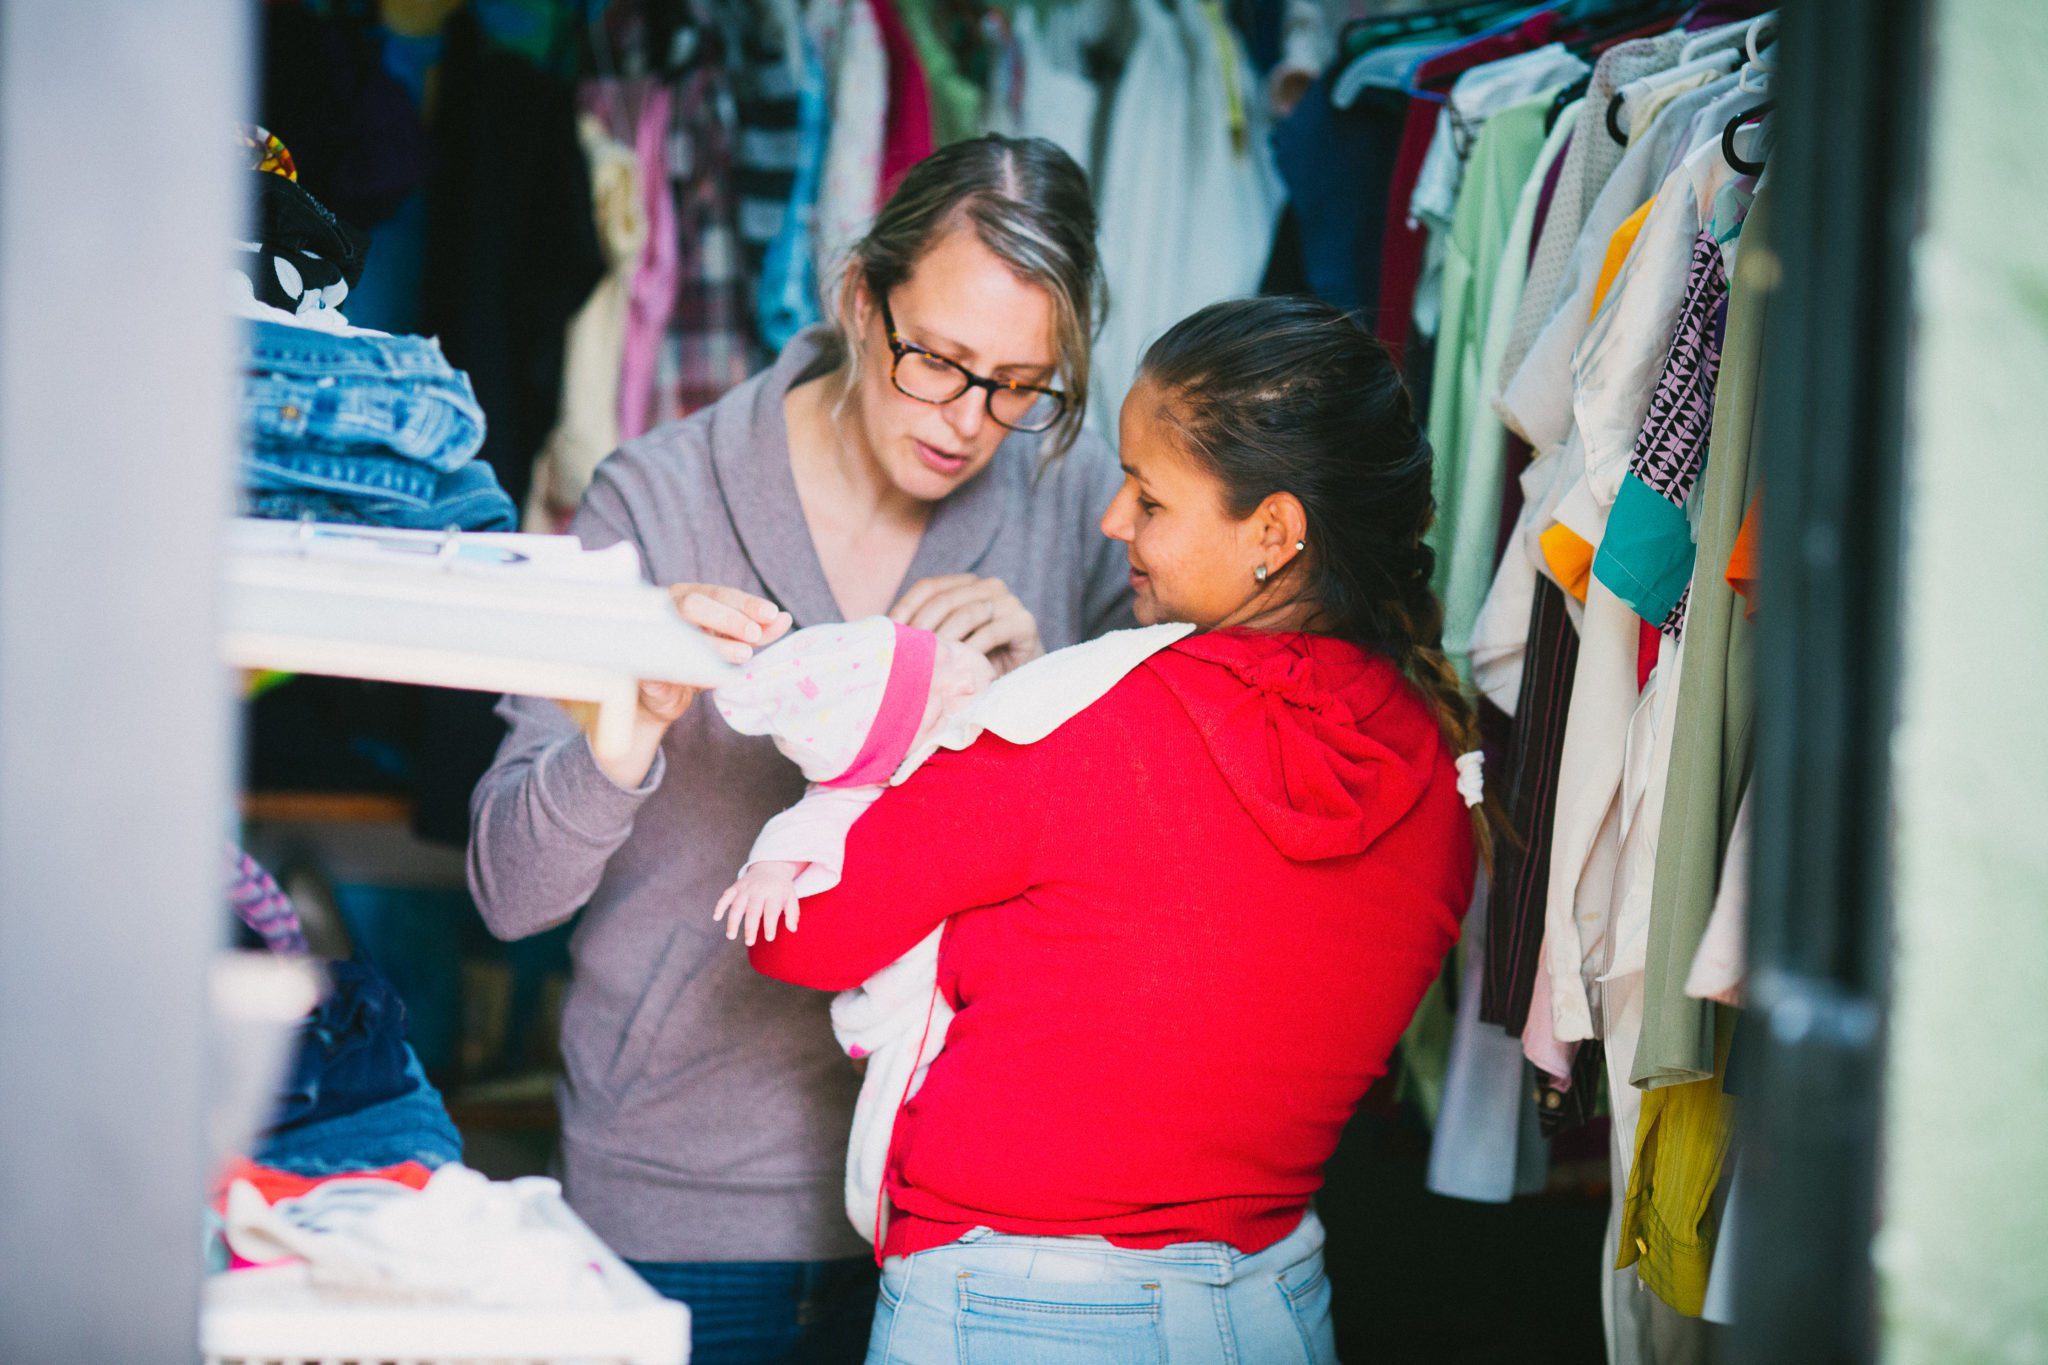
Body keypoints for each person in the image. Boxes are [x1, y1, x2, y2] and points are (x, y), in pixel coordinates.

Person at [467, 136, 1132, 1364]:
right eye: (935, 361)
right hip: (679, 1206)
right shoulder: (655, 502)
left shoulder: (1073, 497)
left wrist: (1045, 694)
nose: (967, 421)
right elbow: (507, 893)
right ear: (855, 297)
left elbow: (1133, 889)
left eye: (1017, 384)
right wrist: (631, 721)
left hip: (962, 1222)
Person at [752, 295, 1492, 1363]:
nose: (1111, 522)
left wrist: (878, 737)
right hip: (1272, 1306)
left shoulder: (1077, 715)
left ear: (1273, 534)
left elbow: (799, 933)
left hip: (1015, 1306)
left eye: (1146, 497)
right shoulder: (1436, 759)